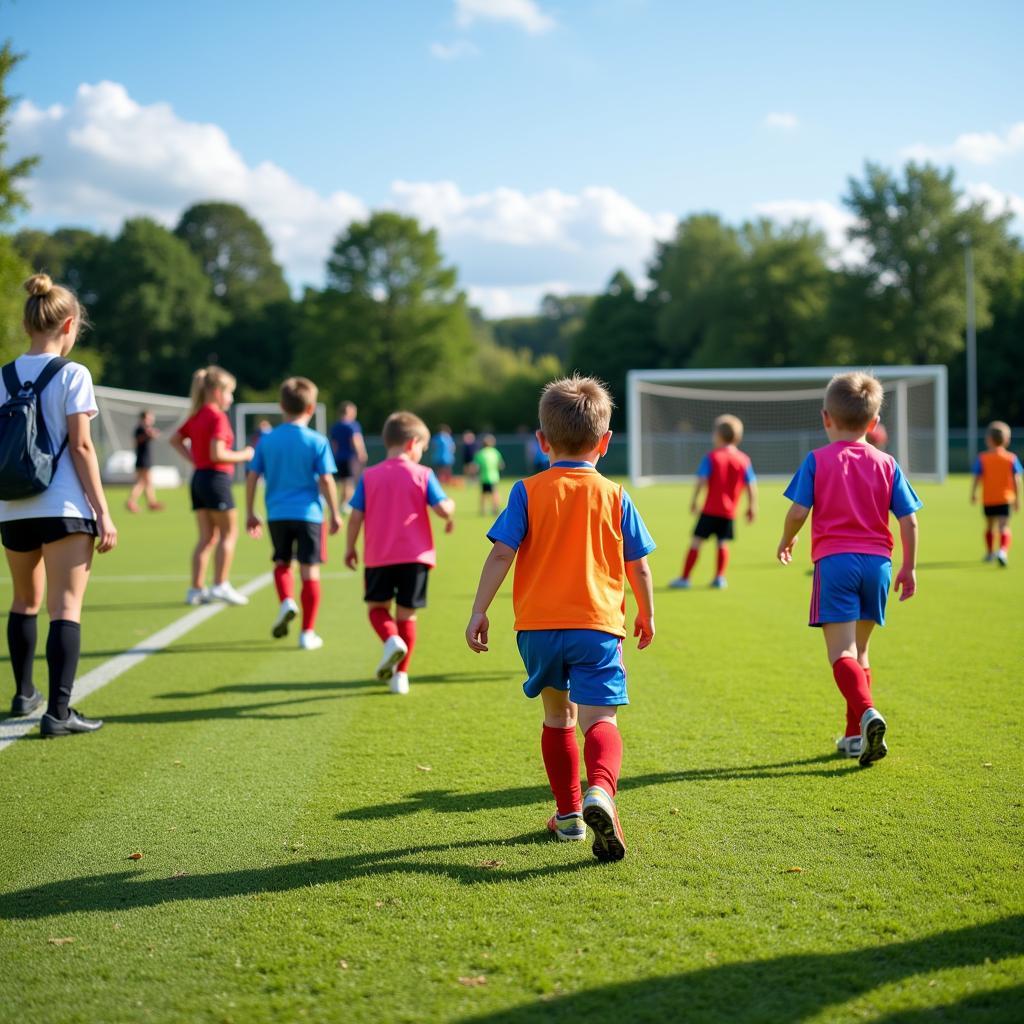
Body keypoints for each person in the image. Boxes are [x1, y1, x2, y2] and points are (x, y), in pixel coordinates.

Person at [466, 375, 656, 862]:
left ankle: (569, 815)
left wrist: (479, 609)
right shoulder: (616, 495)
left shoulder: (526, 491)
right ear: (606, 441)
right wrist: (647, 612)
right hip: (597, 626)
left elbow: (500, 555)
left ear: (541, 441)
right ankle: (602, 793)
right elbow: (640, 564)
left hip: (538, 627)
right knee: (601, 718)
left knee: (558, 716)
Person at [777, 372, 922, 767]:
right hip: (879, 565)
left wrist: (787, 539)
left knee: (841, 653)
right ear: (873, 424)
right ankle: (855, 737)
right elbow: (909, 520)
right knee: (862, 651)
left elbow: (798, 510)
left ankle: (867, 713)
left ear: (826, 417)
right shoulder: (887, 462)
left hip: (836, 563)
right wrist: (908, 568)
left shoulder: (817, 460)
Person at [1, 274, 118, 735]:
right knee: (65, 608)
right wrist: (103, 511)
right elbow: (83, 447)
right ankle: (59, 713)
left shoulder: (4, 375)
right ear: (69, 324)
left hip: (12, 507)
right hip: (65, 506)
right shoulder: (74, 374)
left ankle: (23, 692)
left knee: (23, 602)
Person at [345, 412, 455, 695]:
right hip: (415, 558)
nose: (422, 453)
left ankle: (390, 639)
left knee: (377, 609)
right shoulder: (423, 474)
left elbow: (355, 516)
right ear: (412, 443)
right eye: (422, 448)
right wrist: (450, 510)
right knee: (407, 615)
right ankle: (401, 676)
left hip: (379, 556)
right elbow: (442, 508)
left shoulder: (369, 476)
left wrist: (349, 547)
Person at [245, 377, 342, 650]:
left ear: (281, 406)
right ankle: (307, 632)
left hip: (277, 513)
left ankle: (287, 600)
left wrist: (251, 512)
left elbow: (252, 476)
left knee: (282, 563)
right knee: (310, 571)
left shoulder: (267, 440)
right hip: (310, 514)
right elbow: (326, 480)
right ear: (311, 408)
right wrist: (335, 512)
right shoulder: (317, 441)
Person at [171, 366, 254, 607]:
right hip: (216, 480)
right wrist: (245, 455)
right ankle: (220, 584)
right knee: (229, 534)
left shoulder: (197, 415)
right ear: (217, 391)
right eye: (230, 393)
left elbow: (176, 440)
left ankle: (195, 589)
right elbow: (218, 453)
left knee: (206, 538)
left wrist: (195, 460)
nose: (231, 398)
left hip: (199, 479)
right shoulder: (217, 416)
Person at [669, 414, 757, 590]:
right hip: (729, 512)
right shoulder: (744, 459)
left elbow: (701, 480)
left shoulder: (712, 457)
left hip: (710, 510)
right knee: (722, 542)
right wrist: (752, 506)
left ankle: (685, 578)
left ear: (718, 435)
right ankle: (719, 578)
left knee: (696, 541)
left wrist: (694, 500)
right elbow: (751, 484)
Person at [970, 421, 1021, 567]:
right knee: (1004, 526)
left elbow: (977, 478)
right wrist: (1017, 499)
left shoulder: (983, 458)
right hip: (1005, 498)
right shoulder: (1011, 458)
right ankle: (1003, 551)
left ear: (988, 439)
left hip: (989, 499)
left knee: (989, 526)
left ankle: (990, 552)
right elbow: (1017, 480)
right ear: (1007, 440)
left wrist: (973, 493)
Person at [329, 402, 367, 507]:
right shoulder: (352, 426)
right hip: (350, 458)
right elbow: (355, 440)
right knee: (350, 482)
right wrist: (361, 453)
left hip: (339, 458)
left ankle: (343, 503)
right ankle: (347, 504)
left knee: (343, 482)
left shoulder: (335, 427)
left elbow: (334, 444)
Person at [126, 410, 163, 513]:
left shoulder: (145, 429)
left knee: (147, 482)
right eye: (148, 418)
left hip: (145, 458)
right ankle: (132, 502)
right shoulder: (140, 429)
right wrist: (149, 435)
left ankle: (151, 502)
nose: (151, 420)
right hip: (143, 459)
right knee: (142, 482)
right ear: (143, 419)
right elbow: (138, 440)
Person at [474, 434, 505, 515]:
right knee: (494, 493)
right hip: (494, 477)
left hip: (484, 477)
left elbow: (476, 467)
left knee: (483, 494)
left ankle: (483, 510)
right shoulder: (495, 452)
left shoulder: (480, 453)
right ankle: (495, 509)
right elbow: (501, 465)